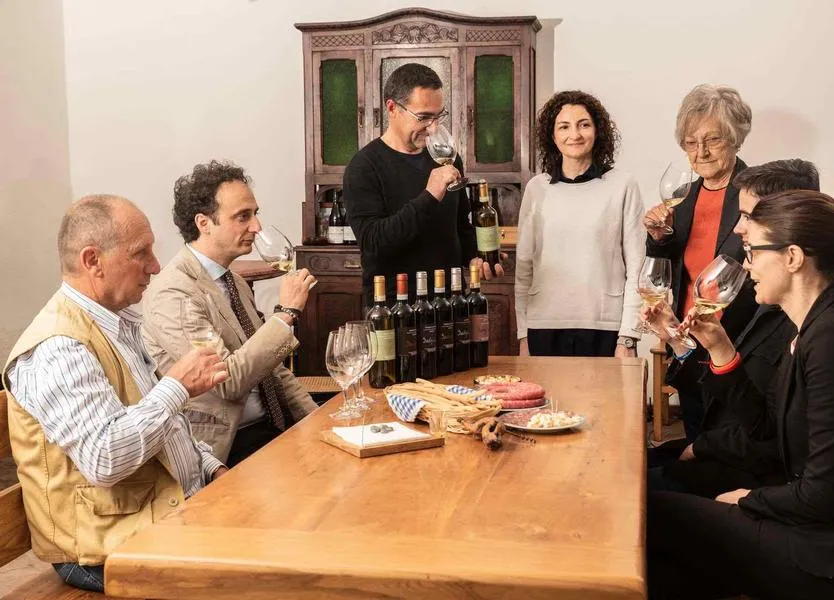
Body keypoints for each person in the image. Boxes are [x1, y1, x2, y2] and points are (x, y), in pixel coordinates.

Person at [648, 190, 834, 600]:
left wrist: (748, 500)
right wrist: (719, 347)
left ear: (793, 257)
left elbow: (822, 494)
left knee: (650, 512)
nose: (747, 265)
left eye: (752, 251)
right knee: (660, 571)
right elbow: (765, 432)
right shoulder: (816, 324)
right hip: (823, 532)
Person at [3, 195, 229, 593]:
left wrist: (213, 469)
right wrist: (177, 387)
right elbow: (105, 458)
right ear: (93, 260)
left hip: (159, 518)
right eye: (141, 253)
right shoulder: (58, 347)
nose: (155, 266)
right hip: (103, 553)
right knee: (269, 576)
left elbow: (165, 430)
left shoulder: (117, 323)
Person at [647, 159, 820, 496]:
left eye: (747, 216)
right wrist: (677, 340)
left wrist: (702, 447)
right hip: (724, 449)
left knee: (625, 488)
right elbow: (723, 394)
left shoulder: (810, 322)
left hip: (748, 475)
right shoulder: (758, 296)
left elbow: (772, 435)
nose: (738, 229)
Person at [142, 161, 318, 466]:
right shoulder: (174, 293)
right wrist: (285, 313)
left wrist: (317, 421)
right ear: (204, 223)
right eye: (243, 216)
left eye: (255, 214)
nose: (257, 227)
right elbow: (227, 382)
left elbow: (273, 368)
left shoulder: (233, 281)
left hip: (273, 428)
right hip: (225, 448)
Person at [643, 83, 758, 441]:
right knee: (697, 440)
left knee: (737, 443)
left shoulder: (757, 194)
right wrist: (658, 237)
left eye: (713, 140)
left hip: (739, 343)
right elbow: (665, 267)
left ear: (736, 139)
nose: (701, 152)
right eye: (691, 143)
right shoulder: (683, 197)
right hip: (689, 341)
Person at [342, 62, 503, 303]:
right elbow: (373, 243)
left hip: (450, 300)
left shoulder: (447, 158)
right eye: (424, 117)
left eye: (439, 116)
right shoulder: (363, 167)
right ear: (392, 108)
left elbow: (461, 226)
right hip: (393, 306)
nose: (433, 127)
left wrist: (475, 258)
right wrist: (429, 196)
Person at [515, 90, 645, 358]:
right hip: (543, 327)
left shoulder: (622, 185)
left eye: (583, 125)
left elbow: (637, 268)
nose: (574, 134)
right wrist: (523, 334)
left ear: (597, 131)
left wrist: (628, 336)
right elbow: (524, 268)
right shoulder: (536, 189)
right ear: (552, 136)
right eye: (564, 127)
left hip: (605, 327)